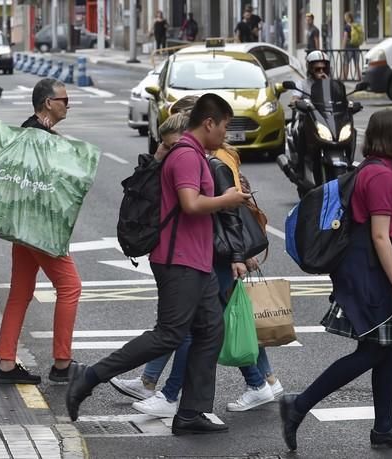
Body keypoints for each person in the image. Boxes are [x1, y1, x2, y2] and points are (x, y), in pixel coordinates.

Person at [65, 94, 251, 435]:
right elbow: (191, 204)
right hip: (178, 260)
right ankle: (88, 378)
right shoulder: (186, 156)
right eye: (224, 126)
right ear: (209, 123)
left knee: (211, 331)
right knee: (169, 335)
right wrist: (228, 200)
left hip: (197, 260)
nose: (225, 134)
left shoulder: (195, 154)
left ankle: (191, 412)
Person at [111, 112, 283, 416]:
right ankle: (256, 383)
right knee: (203, 325)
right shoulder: (187, 159)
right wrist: (158, 154)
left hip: (216, 254)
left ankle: (172, 393)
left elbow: (231, 213)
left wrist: (238, 256)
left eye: (175, 143)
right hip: (205, 252)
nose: (173, 150)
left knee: (202, 326)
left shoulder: (213, 161)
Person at [279, 109, 392, 452]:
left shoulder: (375, 170)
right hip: (370, 268)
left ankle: (384, 428)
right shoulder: (379, 177)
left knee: (389, 348)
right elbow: (380, 236)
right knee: (374, 349)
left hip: (368, 265)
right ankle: (298, 405)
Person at [0, 78, 83, 385]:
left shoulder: (30, 130)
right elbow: (47, 188)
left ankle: (6, 363)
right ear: (48, 103)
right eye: (64, 100)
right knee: (70, 286)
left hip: (23, 227)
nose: (67, 105)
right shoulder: (39, 137)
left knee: (20, 292)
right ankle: (62, 363)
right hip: (39, 227)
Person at [342, 12, 362, 81]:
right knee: (357, 63)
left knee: (346, 63)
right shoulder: (355, 26)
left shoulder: (347, 27)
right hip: (356, 47)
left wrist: (343, 48)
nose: (345, 19)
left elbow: (345, 37)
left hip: (348, 47)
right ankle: (359, 77)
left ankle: (345, 78)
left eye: (346, 18)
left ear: (349, 19)